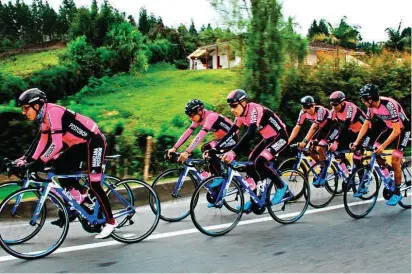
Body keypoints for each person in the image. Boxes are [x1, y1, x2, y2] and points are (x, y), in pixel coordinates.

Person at [15, 88, 116, 238]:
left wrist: (39, 162)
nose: (24, 112)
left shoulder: (53, 112)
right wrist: (27, 160)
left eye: (25, 108)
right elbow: (42, 142)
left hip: (94, 142)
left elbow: (56, 145)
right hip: (79, 145)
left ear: (36, 106)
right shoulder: (44, 118)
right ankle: (80, 197)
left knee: (95, 184)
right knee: (58, 168)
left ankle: (111, 222)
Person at [210, 89, 290, 210]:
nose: (232, 109)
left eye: (234, 106)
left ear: (243, 103)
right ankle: (256, 198)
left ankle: (282, 187)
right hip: (268, 139)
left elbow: (250, 133)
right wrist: (215, 149)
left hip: (280, 137)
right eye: (230, 107)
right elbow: (231, 133)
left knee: (260, 162)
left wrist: (233, 151)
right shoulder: (240, 116)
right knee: (250, 162)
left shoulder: (254, 110)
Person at [351, 84, 411, 205]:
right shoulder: (371, 107)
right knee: (374, 149)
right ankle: (388, 170)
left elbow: (397, 131)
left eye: (363, 99)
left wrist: (383, 146)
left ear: (370, 99)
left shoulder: (389, 104)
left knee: (395, 159)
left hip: (403, 130)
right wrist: (357, 142)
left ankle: (397, 192)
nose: (363, 102)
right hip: (389, 128)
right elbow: (366, 124)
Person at [167, 99, 238, 175]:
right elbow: (187, 133)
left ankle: (220, 176)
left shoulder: (210, 117)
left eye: (192, 115)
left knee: (210, 151)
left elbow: (200, 135)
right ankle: (211, 173)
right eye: (189, 116)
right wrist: (174, 148)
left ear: (199, 112)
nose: (191, 118)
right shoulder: (198, 118)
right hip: (222, 140)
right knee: (206, 149)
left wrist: (187, 152)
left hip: (232, 139)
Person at [325, 91, 368, 172]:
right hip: (353, 131)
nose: (334, 107)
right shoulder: (334, 110)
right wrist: (323, 139)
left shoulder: (350, 108)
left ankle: (363, 177)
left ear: (342, 102)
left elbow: (346, 126)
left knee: (356, 157)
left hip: (366, 132)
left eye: (336, 105)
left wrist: (337, 141)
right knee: (335, 148)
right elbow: (327, 125)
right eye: (332, 105)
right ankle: (347, 167)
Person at [288, 96, 332, 164]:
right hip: (320, 128)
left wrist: (304, 141)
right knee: (308, 150)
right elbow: (297, 127)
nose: (311, 109)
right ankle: (320, 164)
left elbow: (314, 127)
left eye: (312, 106)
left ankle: (323, 167)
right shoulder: (302, 113)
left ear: (314, 104)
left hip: (330, 126)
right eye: (307, 107)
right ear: (303, 108)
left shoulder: (320, 110)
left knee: (319, 148)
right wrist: (288, 141)